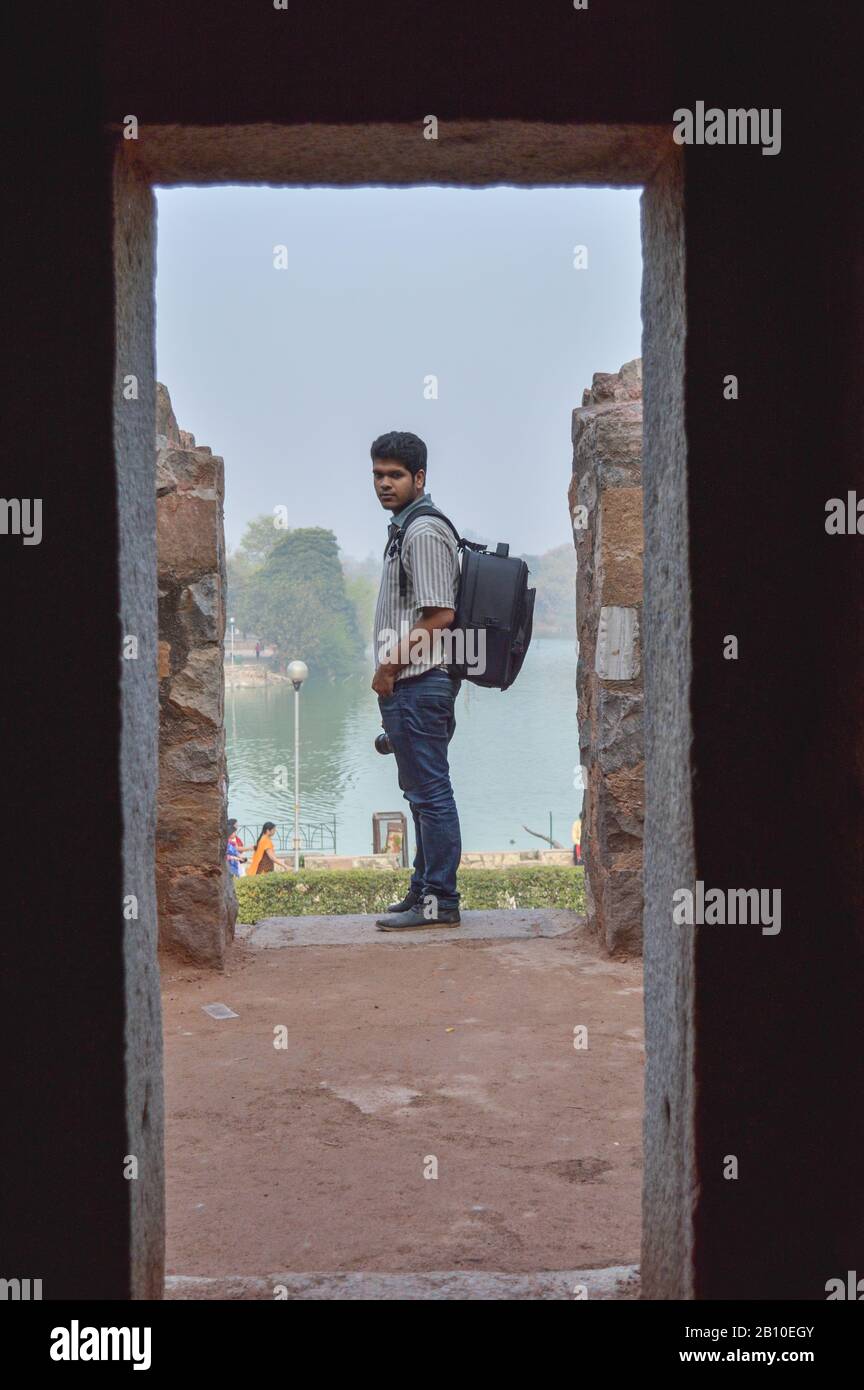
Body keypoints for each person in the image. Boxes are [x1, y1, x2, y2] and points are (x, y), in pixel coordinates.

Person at [369, 431, 464, 931]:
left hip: (418, 683)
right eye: (378, 475)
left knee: (431, 794)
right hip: (415, 684)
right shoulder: (403, 528)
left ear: (419, 478)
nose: (385, 484)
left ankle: (440, 902)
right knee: (421, 794)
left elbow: (440, 615)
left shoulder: (423, 532)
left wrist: (388, 667)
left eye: (395, 475)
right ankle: (423, 891)